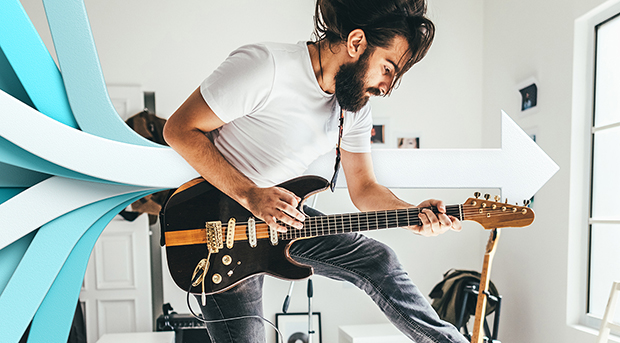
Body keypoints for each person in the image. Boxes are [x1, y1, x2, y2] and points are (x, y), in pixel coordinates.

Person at [163, 0, 468, 342]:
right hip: (218, 230)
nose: (386, 87)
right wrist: (251, 195)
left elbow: (364, 189)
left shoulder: (352, 110)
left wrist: (411, 214)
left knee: (379, 260)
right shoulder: (265, 66)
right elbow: (179, 130)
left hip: (284, 219)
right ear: (356, 42)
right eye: (387, 68)